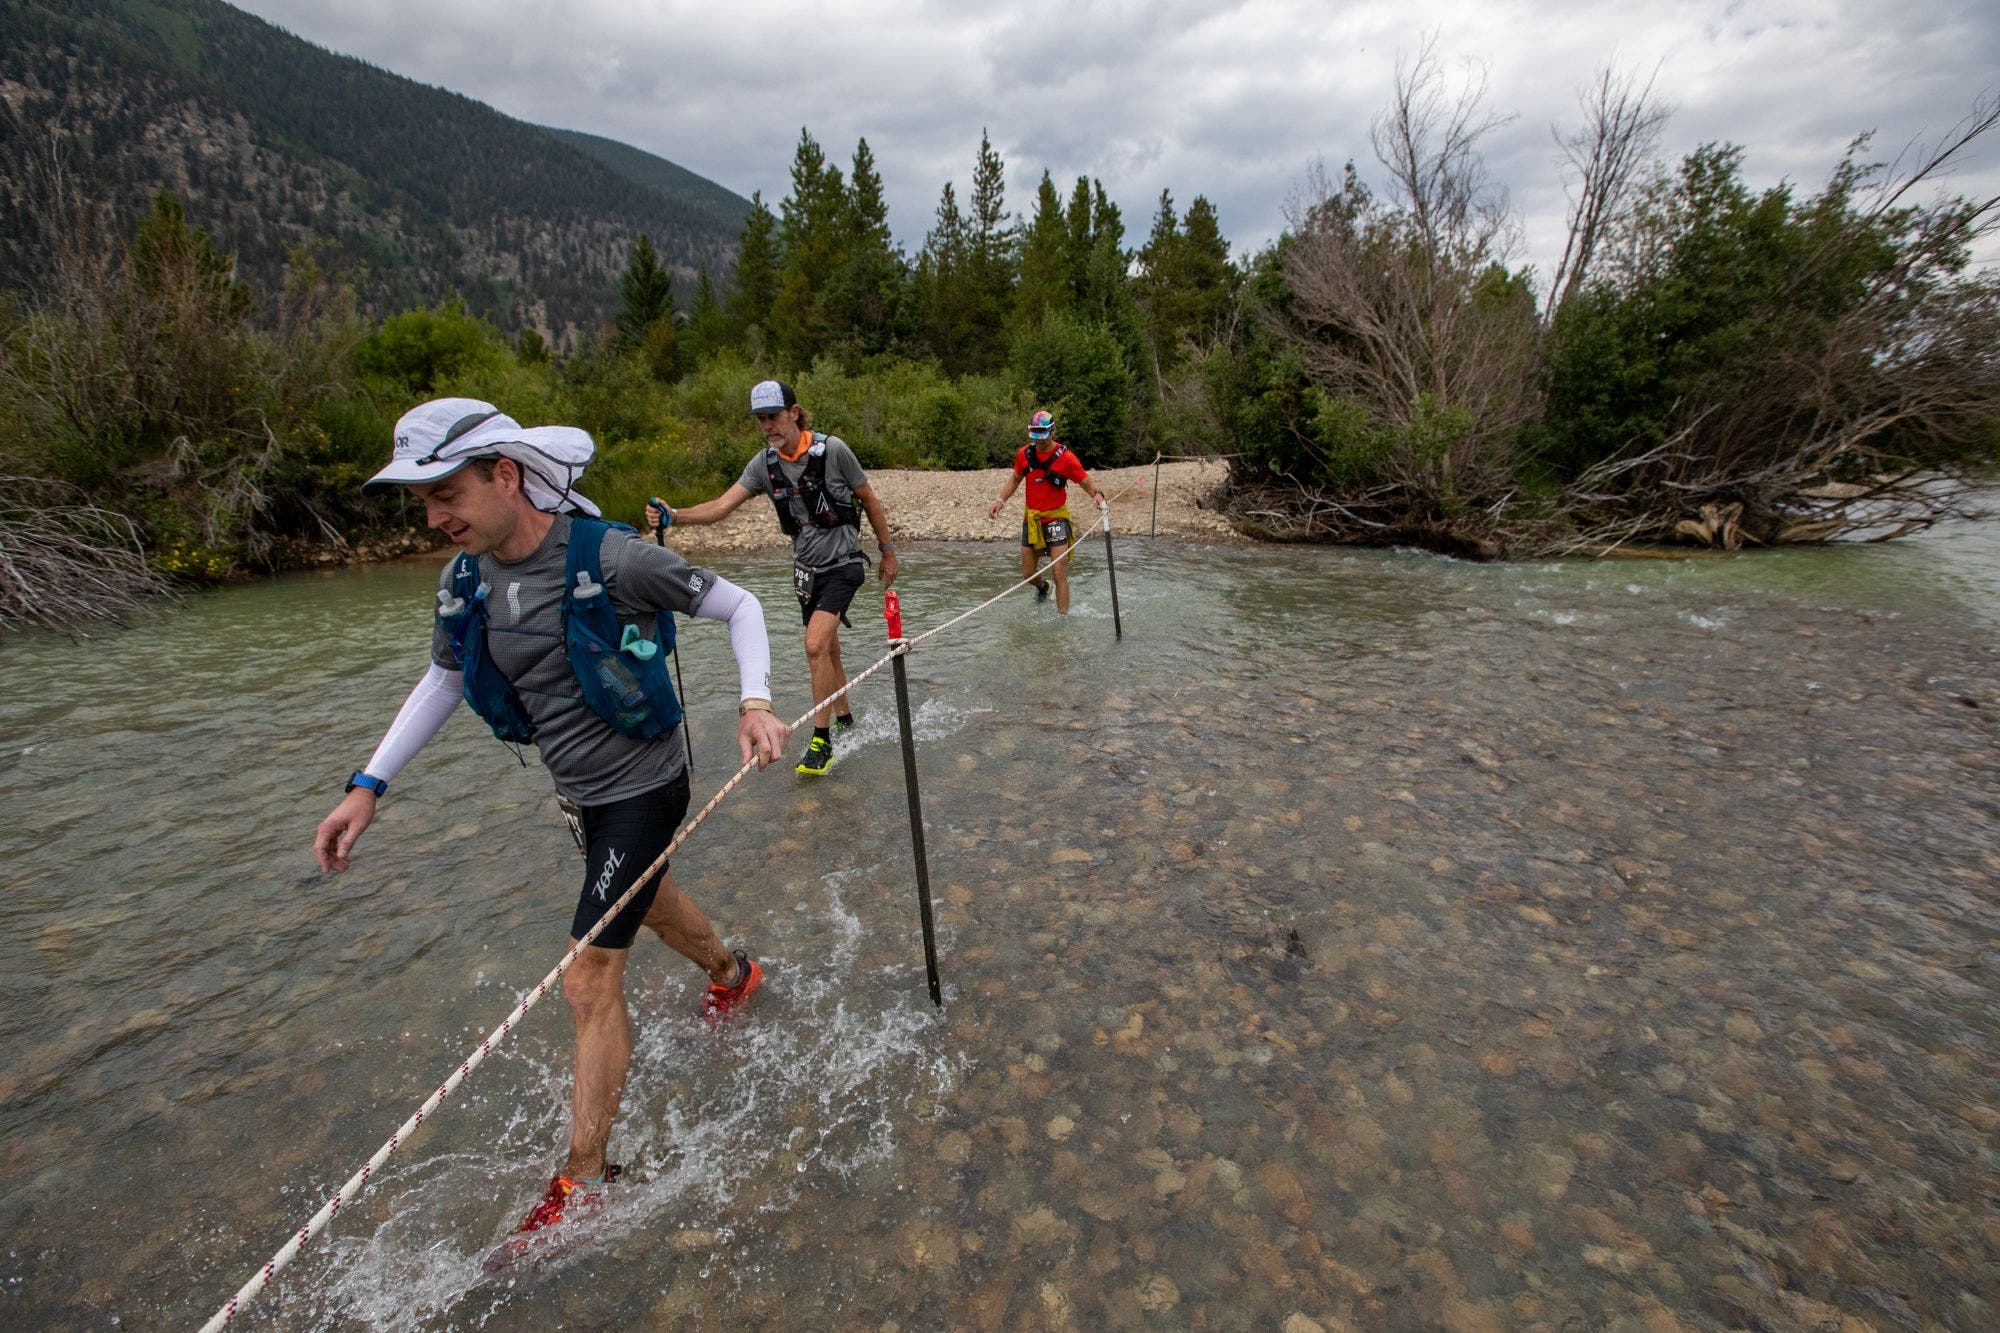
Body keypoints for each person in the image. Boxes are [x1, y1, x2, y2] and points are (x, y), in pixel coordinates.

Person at [311, 398, 791, 1252]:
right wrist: (367, 785)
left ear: (506, 476)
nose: (433, 517)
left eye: (445, 493)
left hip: (647, 782)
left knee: (586, 979)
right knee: (647, 902)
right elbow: (444, 681)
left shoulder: (610, 556)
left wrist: (754, 702)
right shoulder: (465, 582)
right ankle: (734, 973)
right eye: (421, 501)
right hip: (583, 797)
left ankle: (587, 1177)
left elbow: (740, 606)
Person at [646, 380, 897, 777]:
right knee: (828, 649)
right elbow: (721, 506)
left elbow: (868, 497)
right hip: (806, 573)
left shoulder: (833, 451)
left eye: (774, 416)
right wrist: (674, 515)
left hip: (844, 565)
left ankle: (821, 740)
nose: (768, 426)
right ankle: (846, 718)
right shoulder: (763, 465)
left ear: (794, 413)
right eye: (761, 419)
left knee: (813, 645)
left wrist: (887, 551)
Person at [986, 410, 1106, 614]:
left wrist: (1097, 494)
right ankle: (1043, 587)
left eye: (1044, 434)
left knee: (1058, 570)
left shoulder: (1066, 458)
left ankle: (1062, 619)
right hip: (1032, 519)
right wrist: (1000, 500)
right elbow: (1015, 479)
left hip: (1056, 518)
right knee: (1027, 573)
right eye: (1036, 435)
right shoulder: (1024, 455)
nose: (1040, 441)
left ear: (1053, 431)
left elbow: (1084, 480)